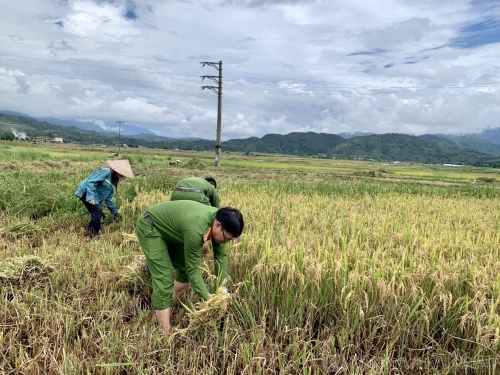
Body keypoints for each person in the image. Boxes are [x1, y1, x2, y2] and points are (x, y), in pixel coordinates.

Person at [135, 200, 244, 333]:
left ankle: (167, 302)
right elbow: (194, 272)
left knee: (184, 269)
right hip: (152, 227)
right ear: (218, 225)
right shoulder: (196, 229)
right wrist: (212, 301)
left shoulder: (217, 222)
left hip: (173, 232)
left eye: (230, 240)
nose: (226, 242)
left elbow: (221, 258)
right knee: (164, 277)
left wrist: (222, 290)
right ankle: (165, 332)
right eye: (226, 239)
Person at [75, 159, 134, 237]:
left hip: (95, 197)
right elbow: (91, 182)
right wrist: (90, 197)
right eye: (123, 174)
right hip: (86, 192)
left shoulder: (114, 181)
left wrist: (115, 212)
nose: (124, 177)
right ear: (118, 171)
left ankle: (89, 231)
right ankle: (95, 234)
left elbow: (108, 198)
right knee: (97, 213)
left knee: (99, 213)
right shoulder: (105, 172)